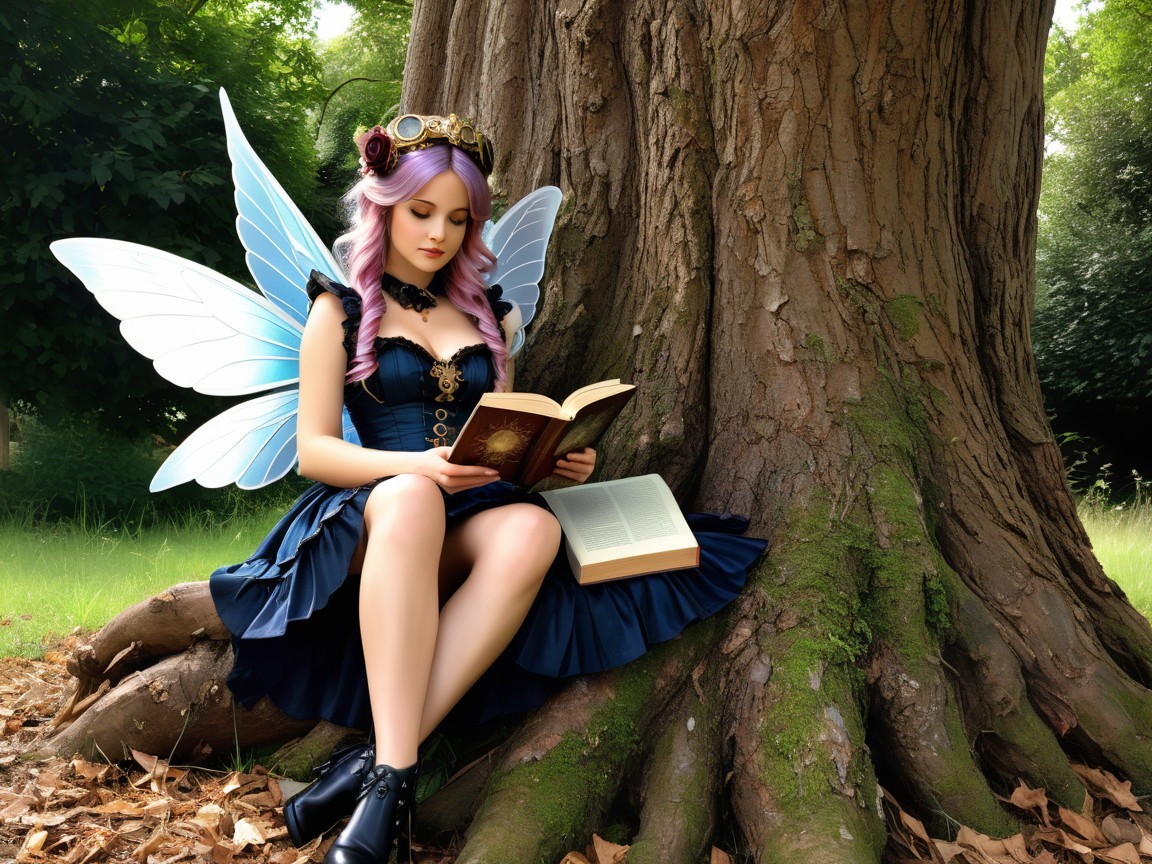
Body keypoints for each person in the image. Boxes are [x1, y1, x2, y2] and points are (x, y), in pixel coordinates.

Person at [208, 113, 765, 864]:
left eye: (457, 218)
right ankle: (391, 788)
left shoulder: (486, 316)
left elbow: (501, 434)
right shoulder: (336, 308)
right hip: (377, 510)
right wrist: (416, 468)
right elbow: (315, 451)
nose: (437, 233)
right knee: (410, 500)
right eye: (421, 211)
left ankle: (375, 773)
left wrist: (556, 460)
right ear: (384, 207)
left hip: (474, 506)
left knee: (535, 528)